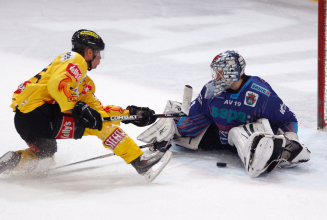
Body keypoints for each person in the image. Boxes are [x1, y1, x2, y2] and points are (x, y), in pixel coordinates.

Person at [0, 29, 172, 182]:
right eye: (99, 54)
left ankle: (13, 160)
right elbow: (57, 85)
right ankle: (141, 162)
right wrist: (77, 107)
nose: (100, 59)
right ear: (89, 52)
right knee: (103, 126)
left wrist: (131, 114)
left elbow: (96, 111)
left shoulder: (78, 78)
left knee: (46, 153)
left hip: (24, 120)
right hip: (39, 115)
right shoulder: (77, 60)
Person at [137, 50, 310, 178]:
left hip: (251, 143)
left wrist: (289, 142)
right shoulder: (210, 91)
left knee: (242, 136)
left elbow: (288, 119)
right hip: (220, 140)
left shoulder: (259, 93)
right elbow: (195, 120)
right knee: (176, 127)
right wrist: (175, 128)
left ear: (234, 72)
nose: (217, 75)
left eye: (221, 71)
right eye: (216, 71)